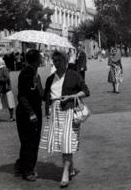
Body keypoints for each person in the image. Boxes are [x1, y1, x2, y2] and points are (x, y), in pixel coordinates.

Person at [40, 50, 90, 188]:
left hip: (69, 112)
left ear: (66, 61)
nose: (57, 64)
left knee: (67, 141)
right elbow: (46, 97)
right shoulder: (50, 78)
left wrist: (72, 96)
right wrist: (47, 112)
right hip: (55, 113)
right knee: (63, 143)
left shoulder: (74, 75)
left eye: (59, 61)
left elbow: (86, 91)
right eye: (55, 61)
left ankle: (65, 173)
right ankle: (70, 167)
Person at [15, 49, 43, 182]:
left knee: (28, 141)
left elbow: (41, 94)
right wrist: (31, 113)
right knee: (30, 142)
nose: (41, 60)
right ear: (37, 60)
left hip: (34, 111)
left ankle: (21, 166)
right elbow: (21, 96)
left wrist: (38, 85)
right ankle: (28, 171)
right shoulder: (26, 73)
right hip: (27, 113)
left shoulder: (35, 74)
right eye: (40, 57)